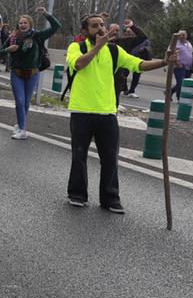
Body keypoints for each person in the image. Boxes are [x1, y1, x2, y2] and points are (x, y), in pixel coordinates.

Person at [65, 14, 177, 213]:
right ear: (85, 31)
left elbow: (138, 64)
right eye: (94, 26)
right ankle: (77, 194)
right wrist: (98, 46)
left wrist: (164, 62)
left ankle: (110, 198)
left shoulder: (115, 51)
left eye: (102, 25)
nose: (100, 28)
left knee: (110, 158)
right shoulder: (77, 47)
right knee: (79, 155)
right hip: (81, 111)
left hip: (107, 112)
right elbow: (79, 64)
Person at [4, 6, 61, 139]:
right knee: (19, 100)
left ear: (30, 24)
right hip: (16, 72)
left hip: (32, 72)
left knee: (26, 102)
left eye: (25, 22)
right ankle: (23, 130)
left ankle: (20, 124)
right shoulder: (13, 36)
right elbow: (0, 50)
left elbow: (56, 26)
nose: (23, 24)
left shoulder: (38, 35)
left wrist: (46, 14)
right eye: (20, 23)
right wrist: (8, 50)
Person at [171, 31, 193, 98]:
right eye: (180, 35)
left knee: (185, 84)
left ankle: (170, 91)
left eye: (183, 35)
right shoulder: (175, 44)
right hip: (179, 66)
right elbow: (171, 54)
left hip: (189, 67)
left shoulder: (189, 44)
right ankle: (180, 98)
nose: (182, 36)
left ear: (186, 36)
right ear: (178, 36)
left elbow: (192, 52)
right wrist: (176, 62)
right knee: (181, 83)